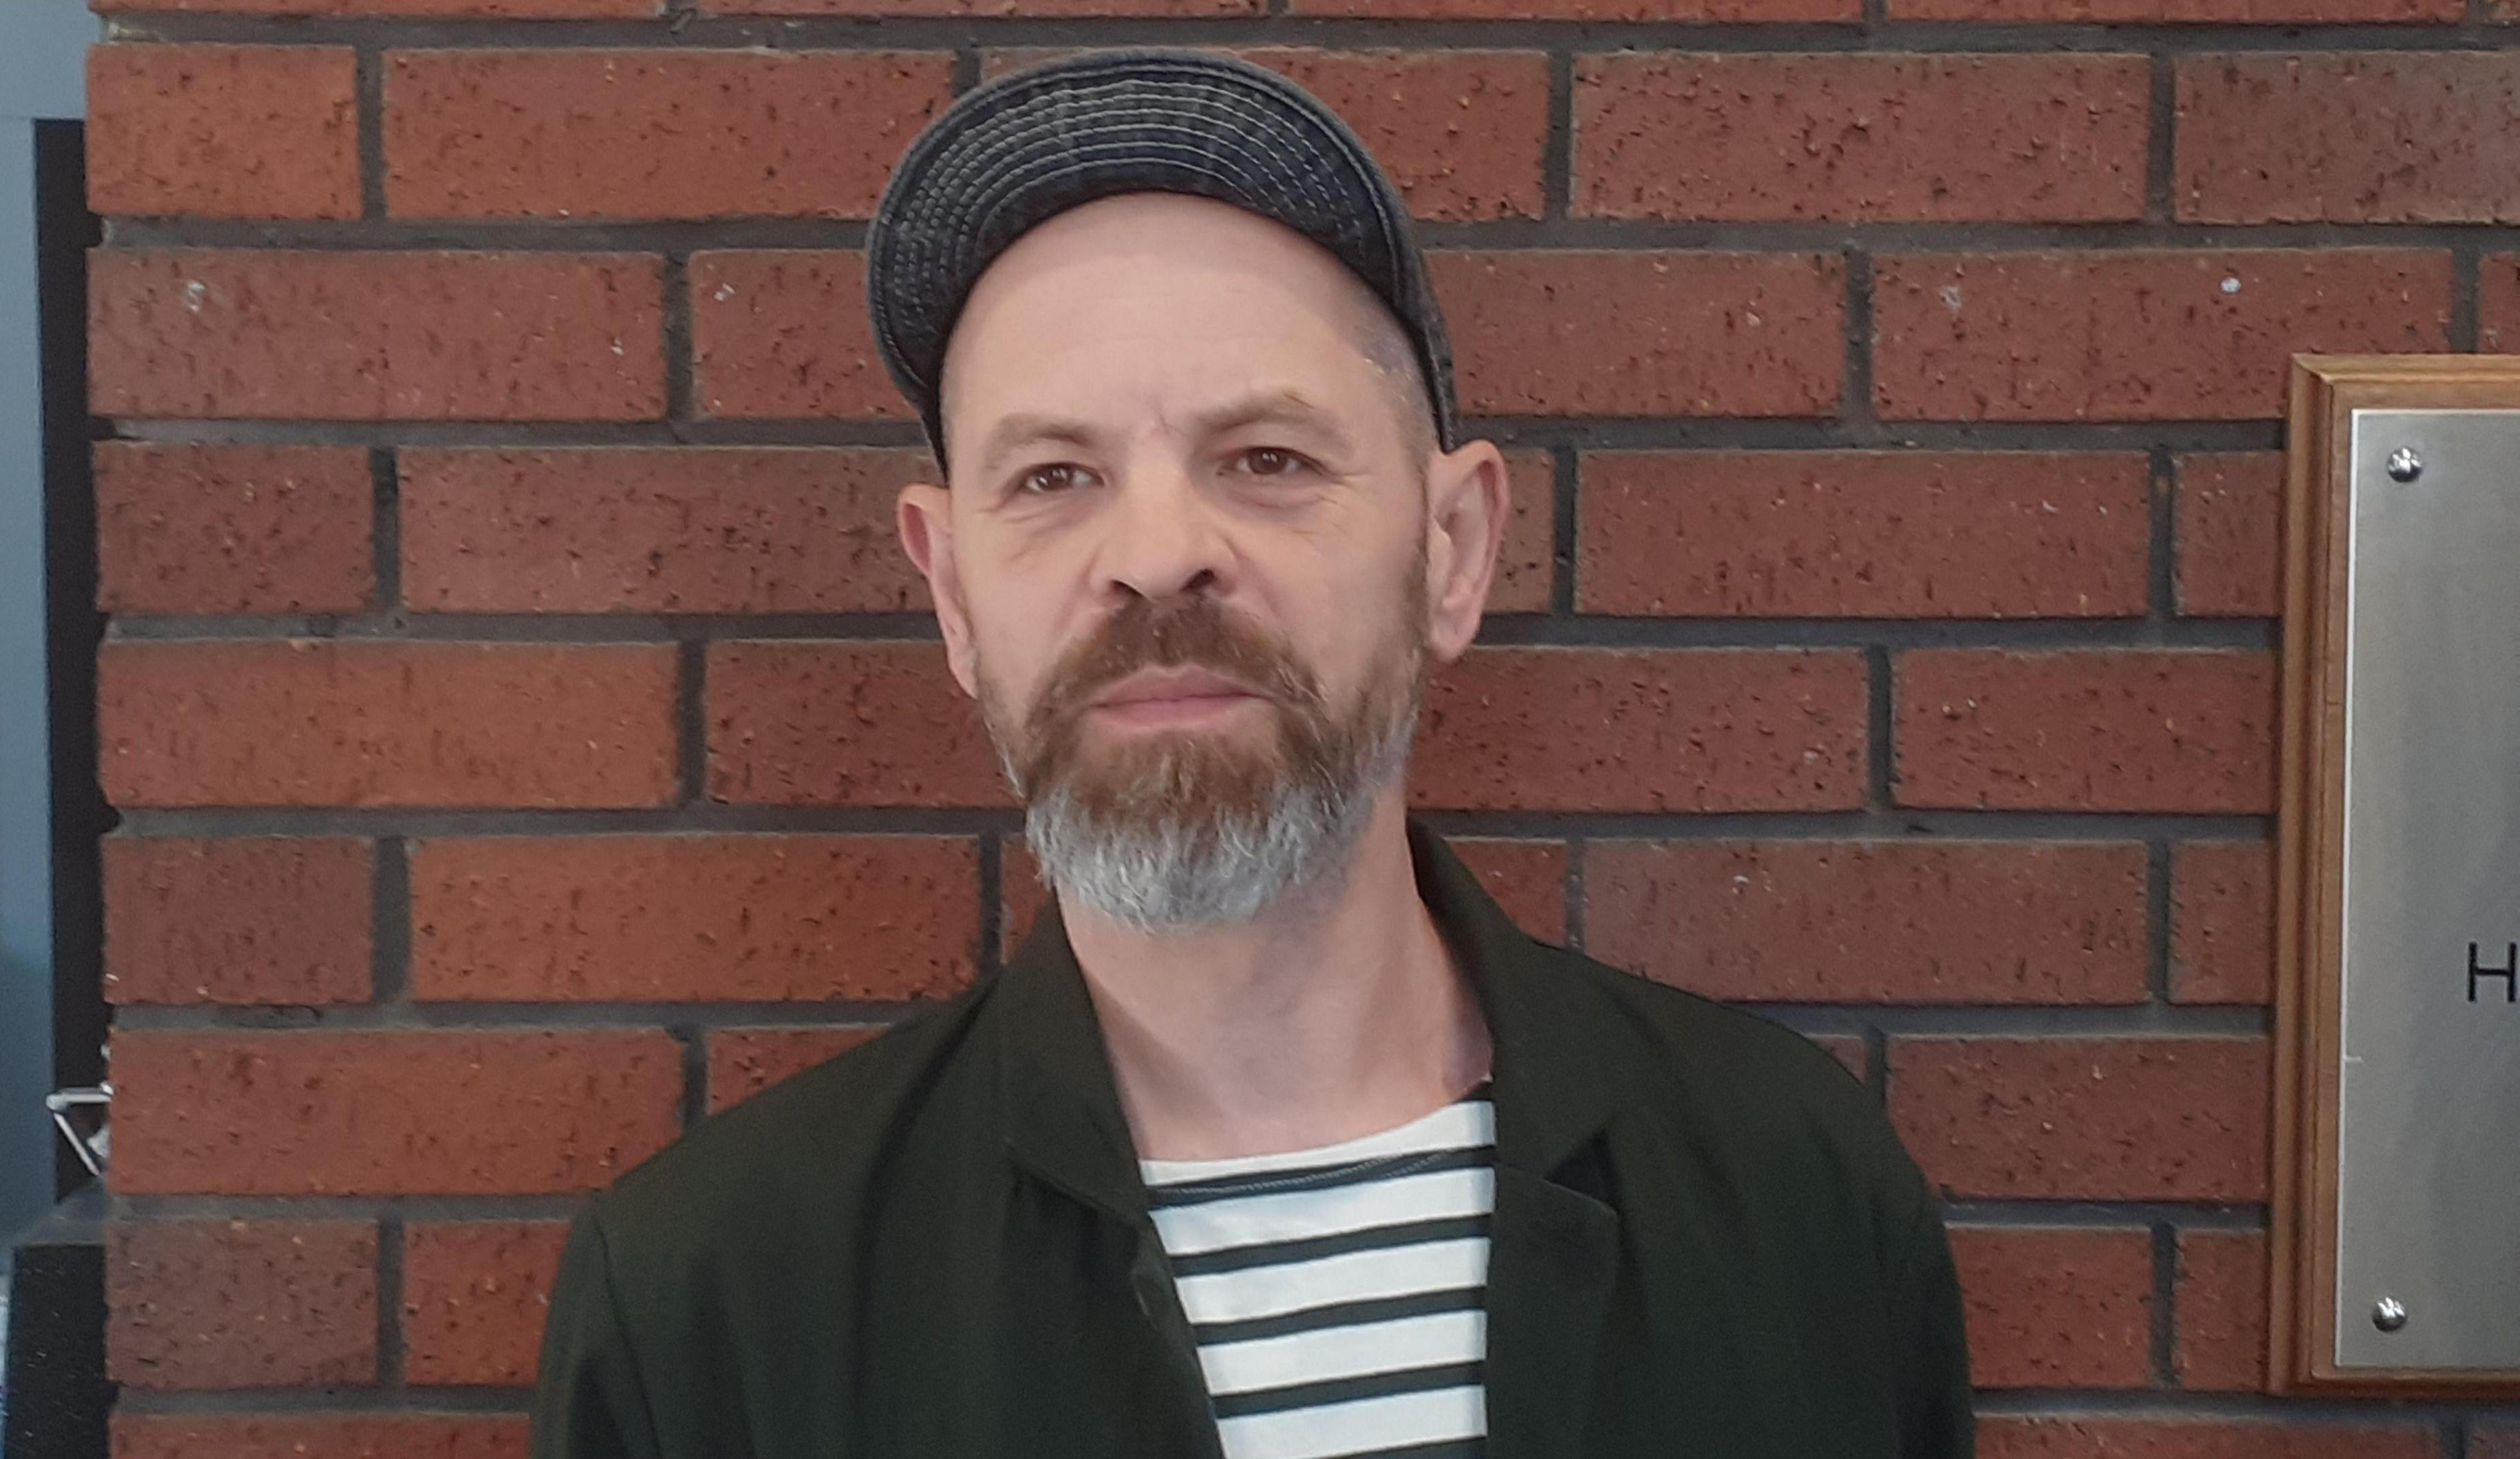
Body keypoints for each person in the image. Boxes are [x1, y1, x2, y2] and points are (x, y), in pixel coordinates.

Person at [532, 49, 1973, 1459]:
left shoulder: (1799, 1199)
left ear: (1452, 552)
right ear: (956, 594)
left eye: (1267, 460)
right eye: (1054, 478)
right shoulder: (704, 1308)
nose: (1157, 557)